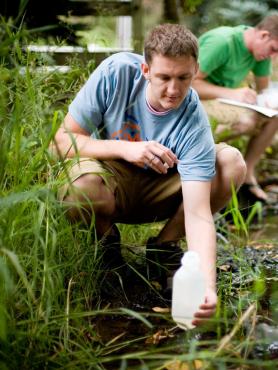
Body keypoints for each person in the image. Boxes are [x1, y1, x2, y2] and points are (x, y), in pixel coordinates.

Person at [51, 24, 246, 326]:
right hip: (112, 174)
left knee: (231, 163)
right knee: (80, 189)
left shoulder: (193, 119)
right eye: (164, 77)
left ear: (195, 69)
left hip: (162, 185)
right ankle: (107, 248)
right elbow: (61, 143)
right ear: (145, 70)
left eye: (183, 78)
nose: (173, 90)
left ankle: (162, 249)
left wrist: (207, 285)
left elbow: (198, 213)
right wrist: (126, 150)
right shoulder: (116, 74)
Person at [192, 14, 278, 206]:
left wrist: (268, 102)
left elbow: (264, 91)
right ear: (264, 35)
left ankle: (248, 173)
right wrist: (232, 93)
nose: (273, 58)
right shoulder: (222, 42)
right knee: (246, 121)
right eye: (274, 50)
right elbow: (186, 84)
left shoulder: (260, 53)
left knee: (274, 117)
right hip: (194, 102)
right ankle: (201, 163)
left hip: (222, 102)